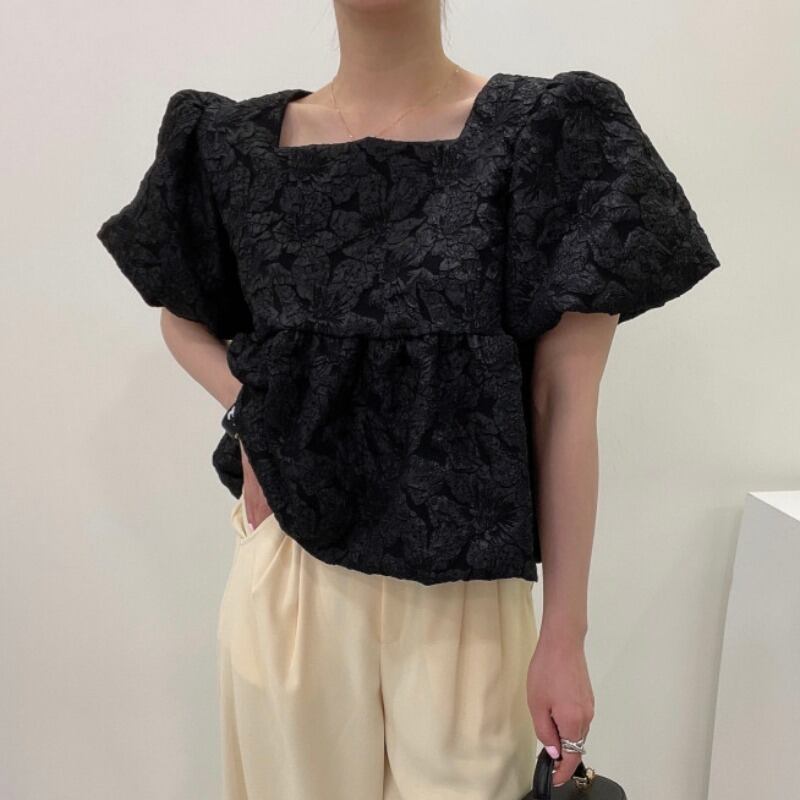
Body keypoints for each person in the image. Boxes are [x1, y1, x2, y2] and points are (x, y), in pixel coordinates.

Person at [96, 2, 721, 798]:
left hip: (468, 595)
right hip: (292, 577)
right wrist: (251, 410)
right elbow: (180, 315)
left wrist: (565, 634)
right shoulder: (228, 146)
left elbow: (563, 402)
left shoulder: (549, 134)